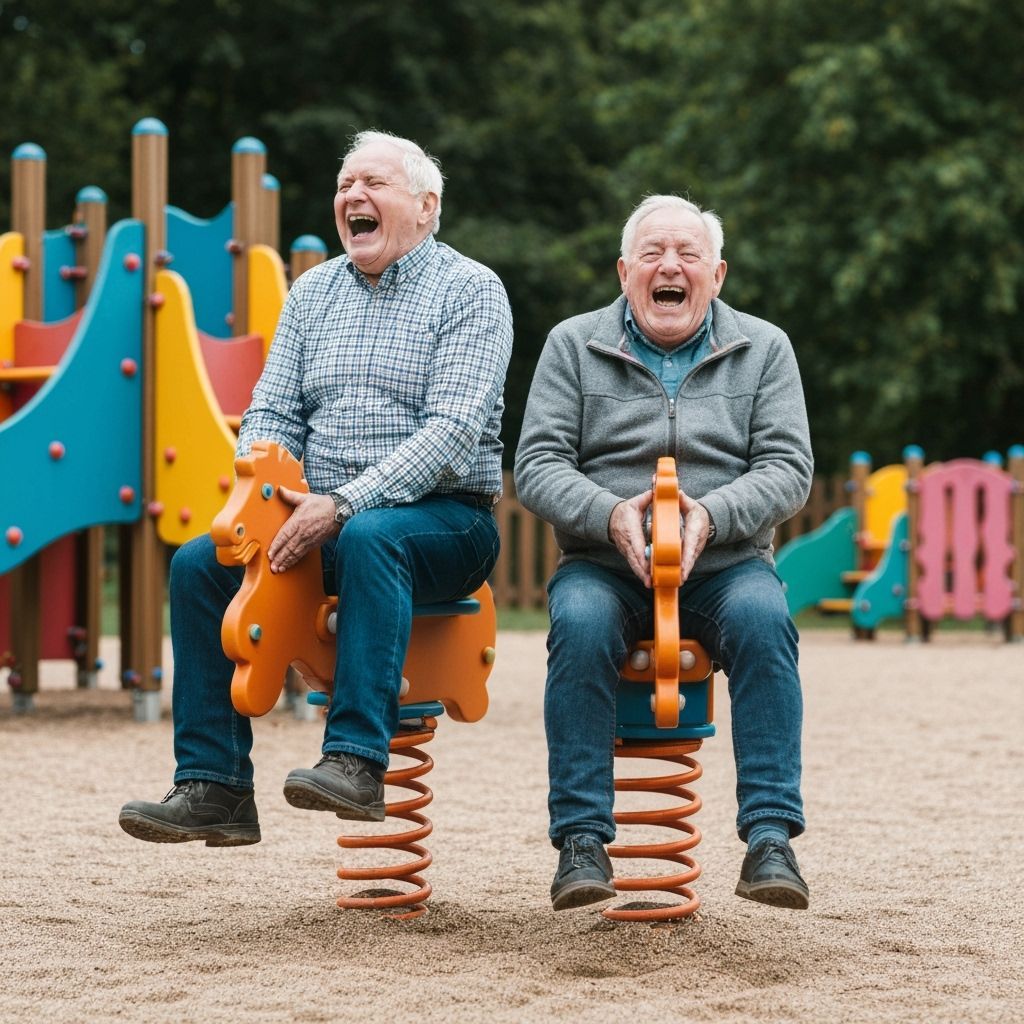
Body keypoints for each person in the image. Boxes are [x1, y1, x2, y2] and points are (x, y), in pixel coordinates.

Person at [119, 131, 513, 846]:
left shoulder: (471, 290)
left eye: (374, 184)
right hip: (322, 516)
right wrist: (267, 494)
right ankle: (215, 785)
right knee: (199, 565)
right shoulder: (313, 292)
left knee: (372, 535)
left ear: (426, 207)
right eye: (345, 184)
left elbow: (453, 428)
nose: (352, 196)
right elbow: (272, 412)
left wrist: (346, 502)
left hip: (447, 520)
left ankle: (358, 760)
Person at [514, 194, 813, 911]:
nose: (669, 266)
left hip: (726, 564)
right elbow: (539, 462)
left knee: (765, 622)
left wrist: (714, 514)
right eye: (652, 253)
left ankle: (771, 836)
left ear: (717, 273)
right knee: (580, 626)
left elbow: (787, 467)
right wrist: (607, 512)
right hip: (604, 565)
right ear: (625, 271)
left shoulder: (763, 348)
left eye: (687, 254)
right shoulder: (573, 344)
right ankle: (581, 840)